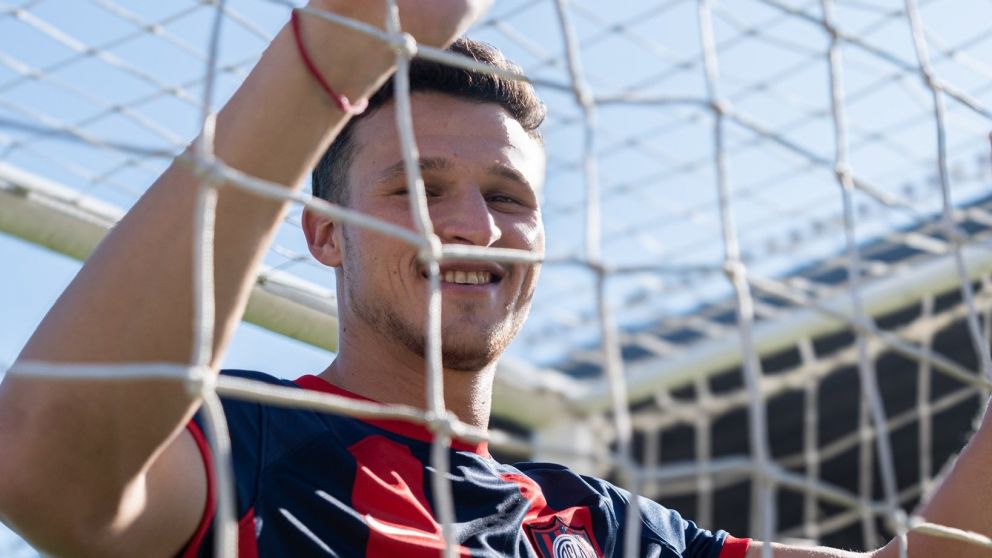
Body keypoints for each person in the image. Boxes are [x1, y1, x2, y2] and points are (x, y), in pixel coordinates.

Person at [0, 1, 989, 557]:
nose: (473, 225)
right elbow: (41, 469)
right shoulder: (249, 443)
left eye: (507, 196)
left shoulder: (605, 525)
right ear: (324, 235)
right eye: (417, 187)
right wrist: (333, 51)